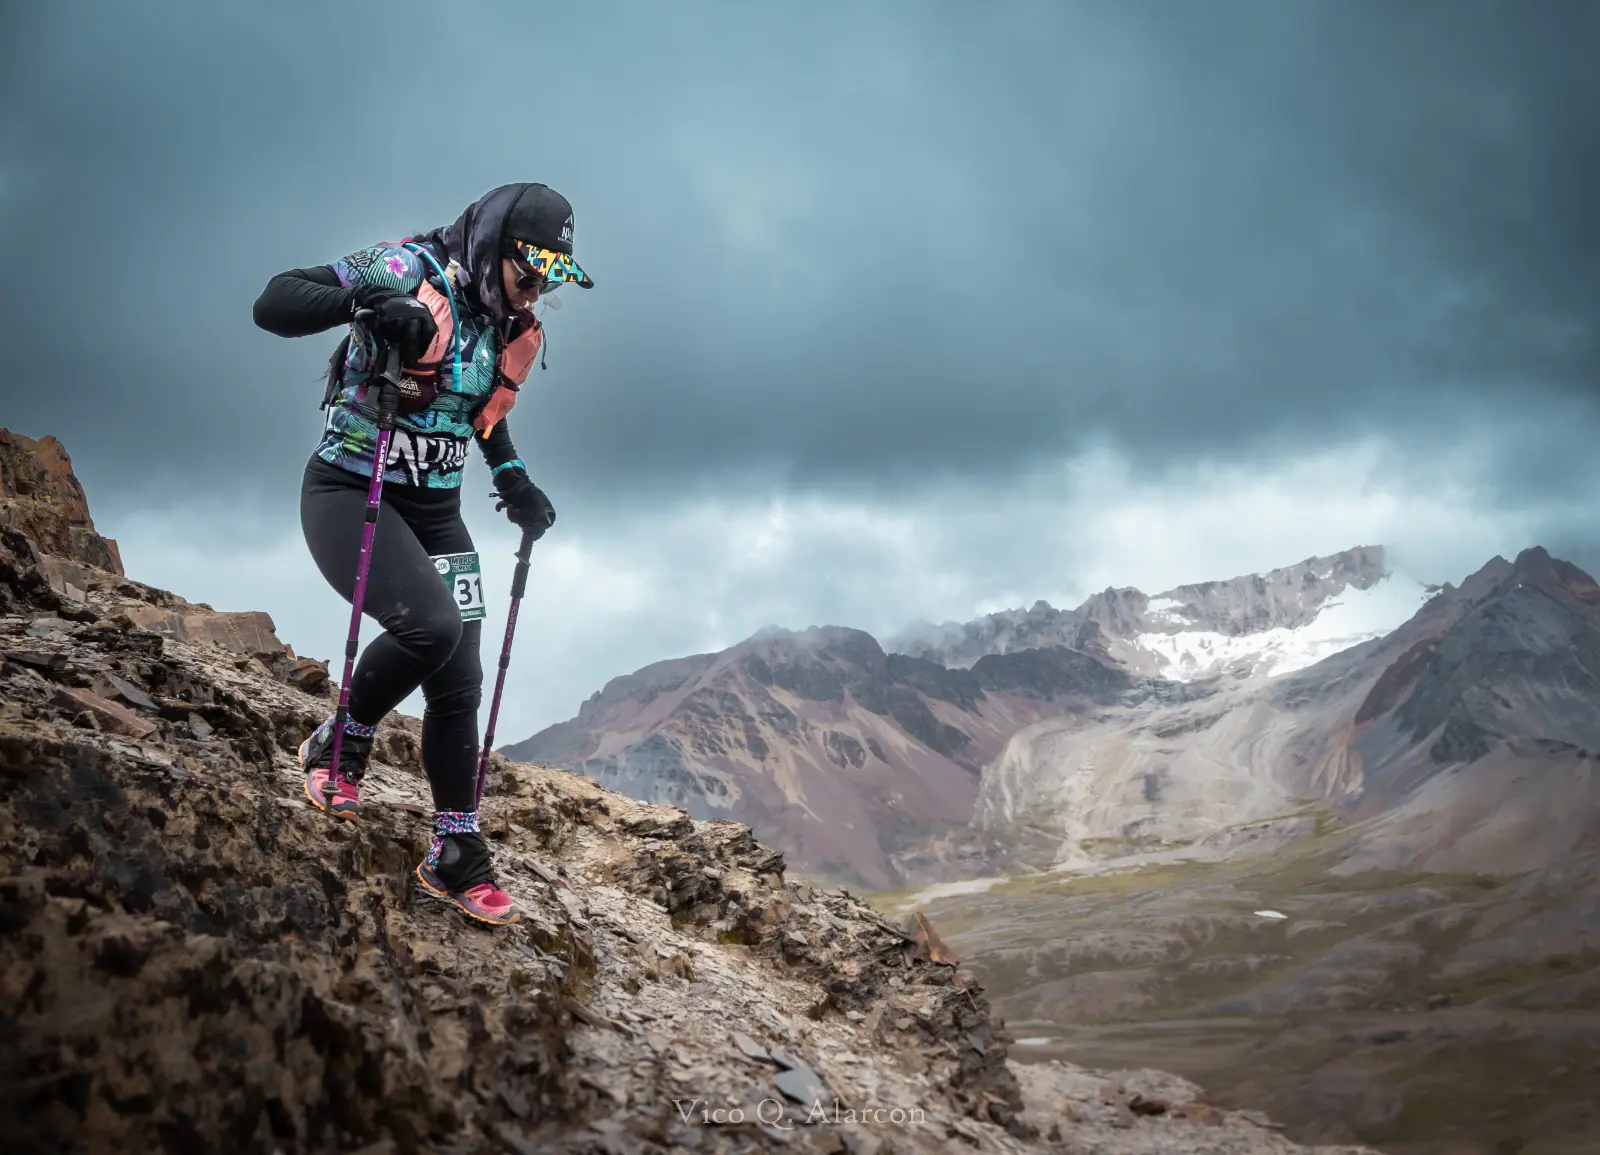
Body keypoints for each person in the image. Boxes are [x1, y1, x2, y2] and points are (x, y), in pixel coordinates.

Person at [252, 182, 593, 926]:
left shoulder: (510, 325)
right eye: (529, 272)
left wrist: (514, 479)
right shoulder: (406, 268)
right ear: (494, 246)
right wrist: (370, 304)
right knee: (430, 626)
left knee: (461, 677)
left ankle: (456, 850)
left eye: (550, 281)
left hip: (436, 512)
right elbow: (274, 301)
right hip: (351, 490)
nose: (536, 291)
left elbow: (481, 415)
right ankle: (340, 742)